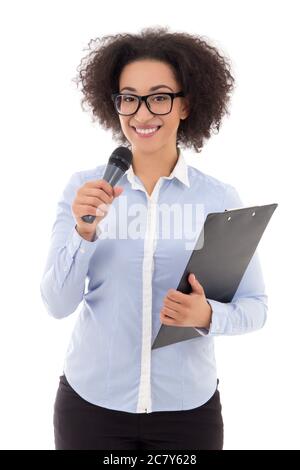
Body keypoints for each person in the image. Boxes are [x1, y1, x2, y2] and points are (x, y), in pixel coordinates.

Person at [40, 26, 268, 450]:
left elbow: (256, 308)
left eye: (159, 97)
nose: (142, 114)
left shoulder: (218, 199)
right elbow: (56, 303)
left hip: (187, 412)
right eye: (129, 98)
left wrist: (206, 316)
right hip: (91, 409)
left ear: (186, 105)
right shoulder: (84, 189)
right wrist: (83, 231)